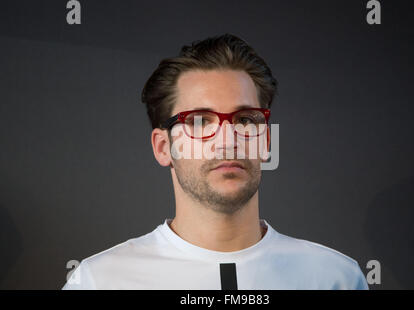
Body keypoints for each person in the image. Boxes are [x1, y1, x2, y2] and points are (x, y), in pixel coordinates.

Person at [62, 33, 368, 290]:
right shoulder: (99, 281)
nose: (227, 139)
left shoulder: (336, 278)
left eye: (246, 119)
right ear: (162, 146)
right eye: (199, 121)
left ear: (266, 141)